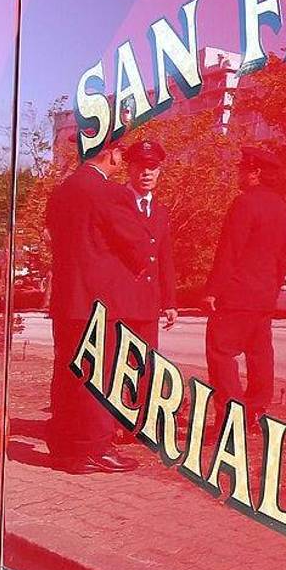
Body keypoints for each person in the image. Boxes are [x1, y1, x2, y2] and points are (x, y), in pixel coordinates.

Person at [46, 137, 152, 473]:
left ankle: (65, 448)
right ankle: (94, 448)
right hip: (99, 300)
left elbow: (53, 236)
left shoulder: (62, 190)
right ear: (110, 153)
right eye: (121, 151)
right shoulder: (109, 192)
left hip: (67, 299)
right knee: (98, 373)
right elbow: (137, 243)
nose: (121, 158)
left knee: (67, 373)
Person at [203, 146, 286, 427]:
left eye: (243, 169)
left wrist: (213, 290)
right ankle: (255, 410)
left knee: (221, 353)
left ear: (255, 172)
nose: (239, 173)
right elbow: (283, 257)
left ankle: (232, 417)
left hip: (237, 295)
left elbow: (230, 251)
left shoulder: (244, 203)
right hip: (264, 296)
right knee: (259, 354)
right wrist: (272, 291)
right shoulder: (282, 208)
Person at [121, 140, 178, 349]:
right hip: (120, 304)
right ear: (129, 169)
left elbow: (164, 258)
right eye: (140, 167)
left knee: (147, 363)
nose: (146, 173)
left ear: (159, 172)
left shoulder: (160, 211)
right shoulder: (115, 203)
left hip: (148, 305)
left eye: (152, 168)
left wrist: (170, 302)